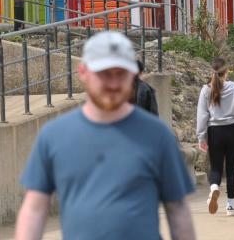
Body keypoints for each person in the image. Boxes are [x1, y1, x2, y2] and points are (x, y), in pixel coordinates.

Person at [15, 31, 196, 240]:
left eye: (121, 73)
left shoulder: (158, 136)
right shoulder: (54, 136)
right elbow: (35, 208)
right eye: (104, 73)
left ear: (133, 75)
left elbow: (178, 210)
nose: (113, 82)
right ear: (83, 72)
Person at [196, 56, 234, 217]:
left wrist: (201, 136)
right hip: (233, 130)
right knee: (231, 168)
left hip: (215, 131)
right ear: (226, 71)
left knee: (216, 167)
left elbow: (202, 115)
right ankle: (231, 206)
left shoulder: (206, 89)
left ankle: (214, 187)